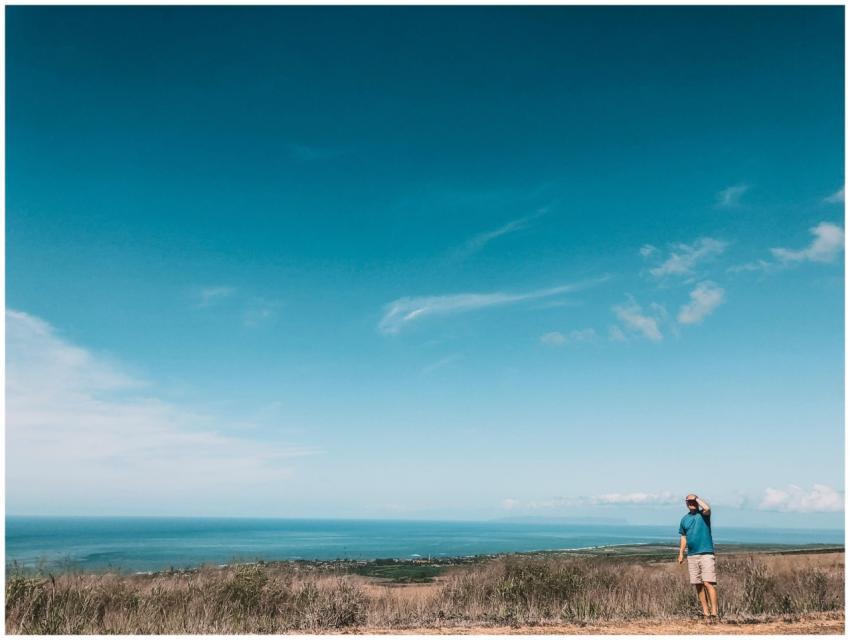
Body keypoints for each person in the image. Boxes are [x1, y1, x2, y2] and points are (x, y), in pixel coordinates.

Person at [677, 494, 718, 621]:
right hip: (692, 555)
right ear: (686, 503)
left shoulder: (704, 515)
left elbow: (707, 508)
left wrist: (697, 498)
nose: (691, 503)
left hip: (706, 553)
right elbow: (683, 537)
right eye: (689, 501)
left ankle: (714, 613)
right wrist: (681, 553)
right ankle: (705, 613)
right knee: (698, 584)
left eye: (693, 501)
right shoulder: (684, 519)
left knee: (708, 582)